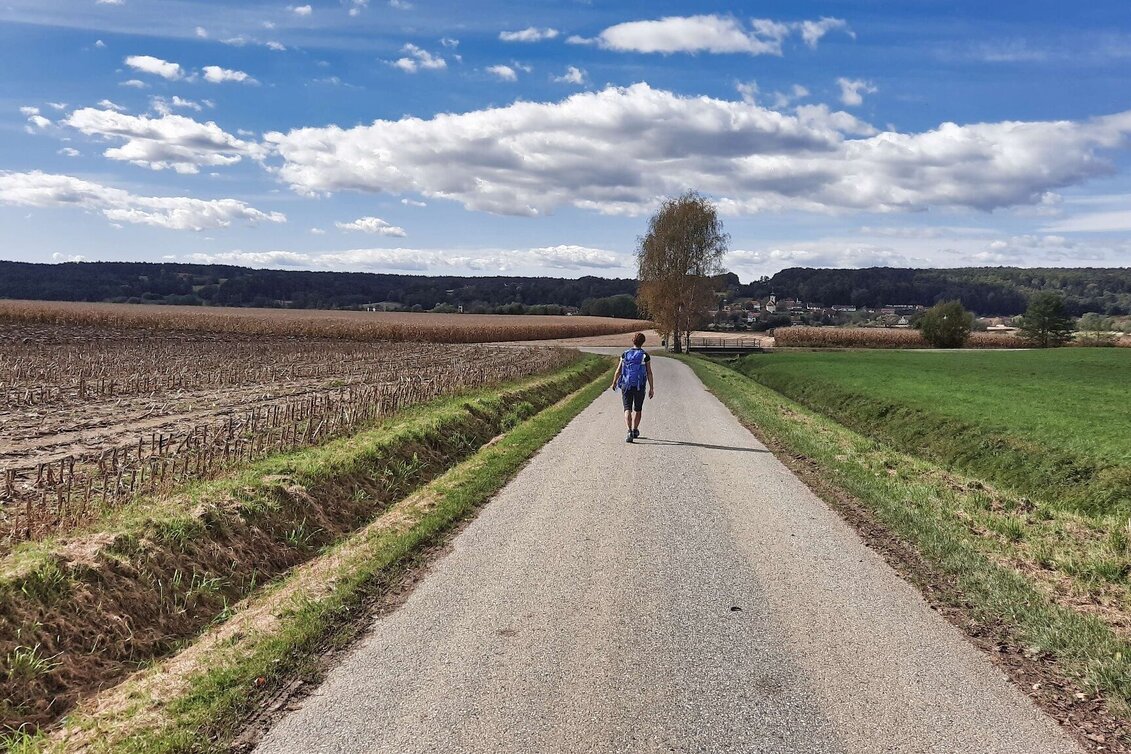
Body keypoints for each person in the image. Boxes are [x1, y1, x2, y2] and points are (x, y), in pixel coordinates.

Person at [610, 332, 655, 443]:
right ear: (643, 342)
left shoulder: (625, 354)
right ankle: (635, 430)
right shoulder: (645, 356)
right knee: (638, 409)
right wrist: (651, 388)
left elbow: (619, 370)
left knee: (627, 408)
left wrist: (614, 382)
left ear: (632, 341)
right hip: (640, 386)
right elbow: (649, 372)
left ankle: (629, 431)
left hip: (626, 384)